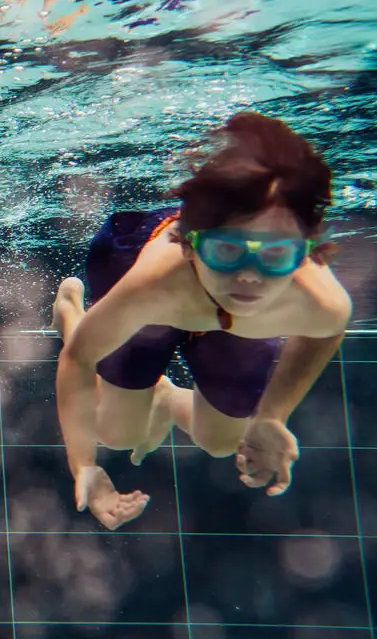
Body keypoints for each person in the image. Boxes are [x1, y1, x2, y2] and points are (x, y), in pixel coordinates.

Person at [50, 112, 352, 529]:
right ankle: (70, 309)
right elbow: (80, 358)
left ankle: (168, 399)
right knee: (117, 434)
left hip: (210, 305)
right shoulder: (152, 285)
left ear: (306, 253)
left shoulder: (319, 302)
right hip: (140, 271)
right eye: (227, 252)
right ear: (190, 246)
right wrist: (83, 465)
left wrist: (273, 415)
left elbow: (327, 333)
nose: (249, 276)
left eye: (276, 255)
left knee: (225, 442)